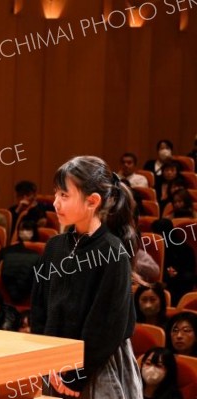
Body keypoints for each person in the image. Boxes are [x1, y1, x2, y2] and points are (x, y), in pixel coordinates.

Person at [31, 156, 142, 398]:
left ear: (92, 201)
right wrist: (45, 360)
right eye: (56, 194)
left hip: (98, 368)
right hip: (55, 366)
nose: (55, 203)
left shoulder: (112, 252)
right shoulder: (54, 246)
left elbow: (107, 326)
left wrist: (75, 377)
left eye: (64, 195)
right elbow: (39, 308)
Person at [151, 218, 195, 306]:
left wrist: (171, 274)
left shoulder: (183, 248)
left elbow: (186, 270)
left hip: (178, 280)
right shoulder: (154, 246)